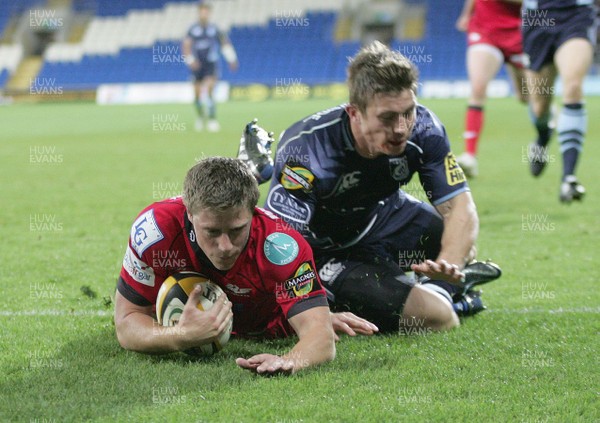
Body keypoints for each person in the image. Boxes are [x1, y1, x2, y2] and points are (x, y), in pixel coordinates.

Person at [262, 41, 502, 334]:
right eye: (387, 117)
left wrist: (448, 266)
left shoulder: (424, 129)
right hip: (329, 252)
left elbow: (460, 208)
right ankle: (449, 299)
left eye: (408, 112)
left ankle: (439, 288)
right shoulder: (307, 151)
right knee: (440, 318)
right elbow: (282, 246)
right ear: (354, 113)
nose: (401, 128)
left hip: (386, 218)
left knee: (458, 239)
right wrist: (313, 307)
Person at [114, 157, 377, 375]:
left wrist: (290, 359)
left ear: (253, 211)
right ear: (189, 213)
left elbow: (322, 338)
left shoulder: (282, 248)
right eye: (212, 232)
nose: (226, 246)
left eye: (237, 230)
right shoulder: (154, 231)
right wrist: (181, 335)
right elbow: (127, 323)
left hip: (270, 325)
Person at [522, 0, 596, 202]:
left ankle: (568, 178)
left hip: (576, 15)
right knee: (539, 108)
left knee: (572, 87)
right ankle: (543, 136)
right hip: (537, 18)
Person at [455, 0, 527, 177]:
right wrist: (466, 14)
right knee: (478, 89)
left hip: (518, 32)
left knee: (526, 97)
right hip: (484, 28)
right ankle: (470, 156)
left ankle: (545, 126)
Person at [182, 2, 238, 132]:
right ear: (199, 13)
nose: (204, 14)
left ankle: (212, 119)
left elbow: (225, 43)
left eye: (206, 11)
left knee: (209, 90)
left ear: (209, 13)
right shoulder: (192, 29)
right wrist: (190, 60)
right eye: (202, 11)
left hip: (211, 64)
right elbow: (186, 46)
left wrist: (231, 59)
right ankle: (201, 117)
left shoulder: (215, 29)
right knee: (196, 95)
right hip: (197, 65)